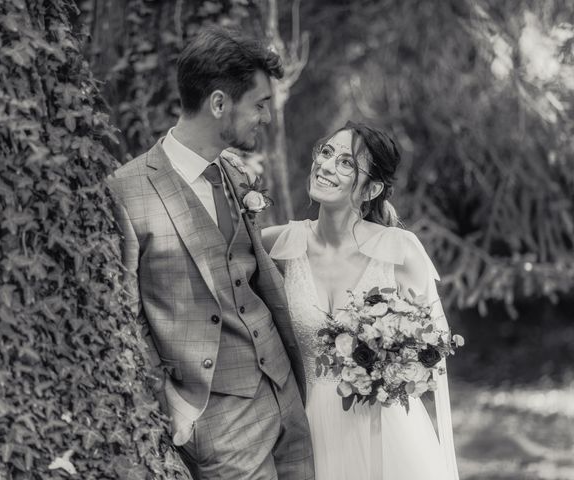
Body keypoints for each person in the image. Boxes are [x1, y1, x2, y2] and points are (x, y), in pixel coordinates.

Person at [106, 26, 314, 480]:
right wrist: (172, 405)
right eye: (259, 104)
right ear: (219, 103)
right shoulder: (128, 191)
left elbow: (249, 269)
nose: (265, 117)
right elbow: (122, 318)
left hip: (284, 393)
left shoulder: (234, 173)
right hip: (215, 419)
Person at [262, 122, 460, 479]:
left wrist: (394, 367)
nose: (325, 166)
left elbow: (433, 352)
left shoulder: (400, 251)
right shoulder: (280, 244)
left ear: (371, 189)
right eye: (326, 152)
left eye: (346, 163)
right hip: (306, 428)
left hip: (384, 433)